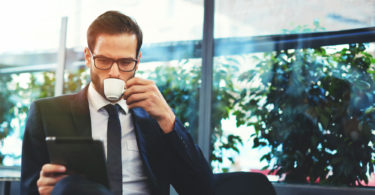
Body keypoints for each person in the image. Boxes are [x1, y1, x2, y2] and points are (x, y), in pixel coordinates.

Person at [20, 10, 214, 195]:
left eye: (125, 62)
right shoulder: (47, 113)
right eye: (104, 61)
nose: (114, 73)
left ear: (138, 60)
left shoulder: (155, 118)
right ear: (88, 58)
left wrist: (169, 120)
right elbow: (28, 190)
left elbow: (201, 189)